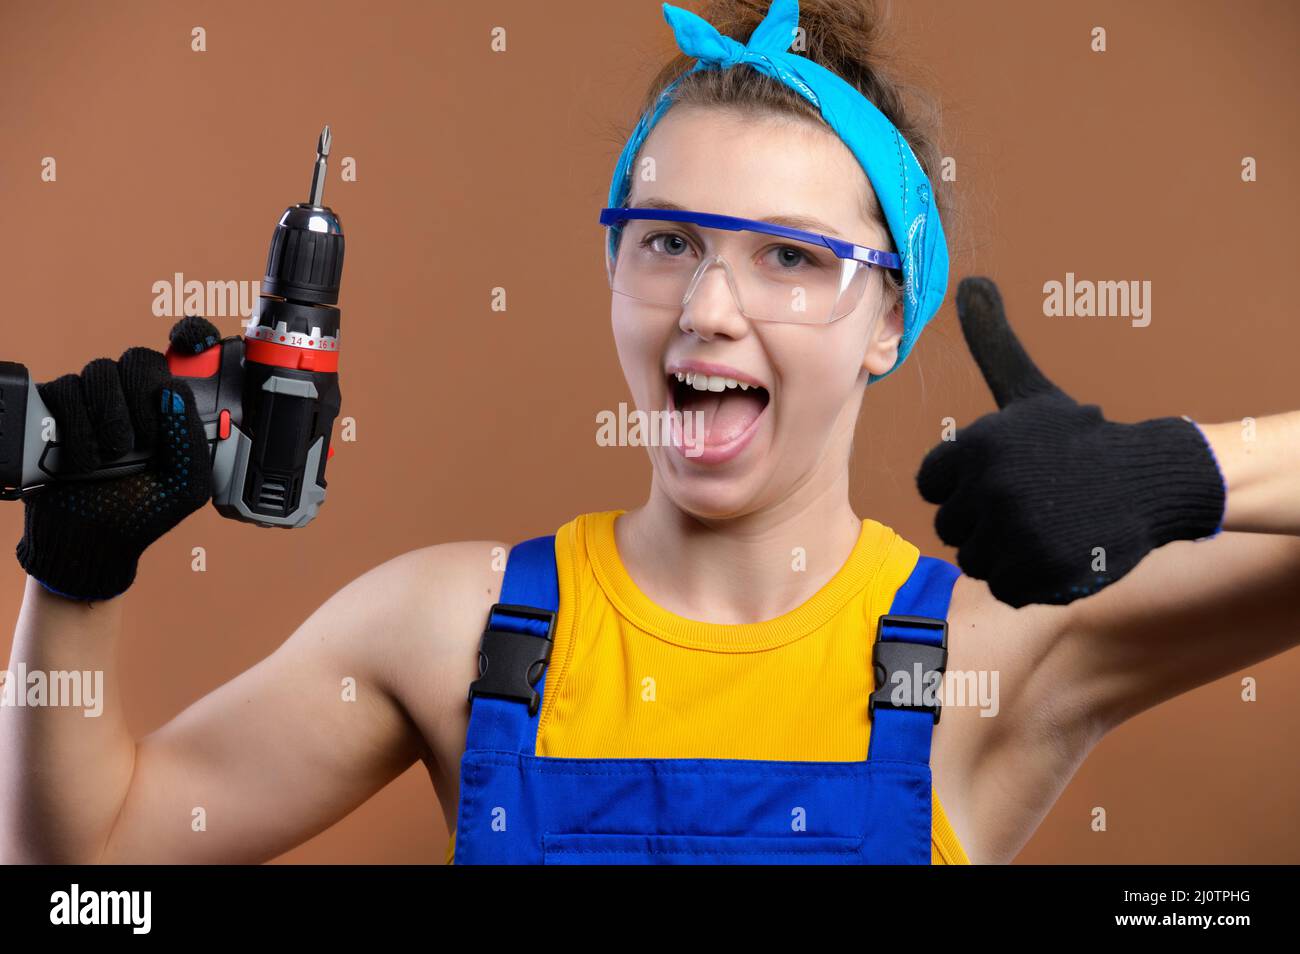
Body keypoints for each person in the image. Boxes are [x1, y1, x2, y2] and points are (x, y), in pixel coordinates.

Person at [3, 0, 1299, 865]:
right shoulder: (450, 629)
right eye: (667, 240)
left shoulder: (998, 650)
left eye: (791, 258)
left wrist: (1180, 467)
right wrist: (76, 571)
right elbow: (86, 867)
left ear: (886, 323)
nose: (709, 306)